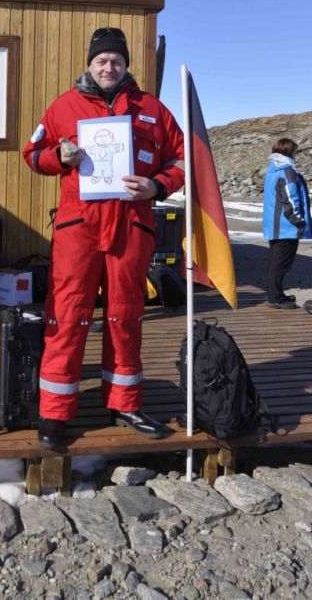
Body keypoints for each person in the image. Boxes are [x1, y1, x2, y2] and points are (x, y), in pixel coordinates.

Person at [23, 27, 185, 446]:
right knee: (67, 313)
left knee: (126, 314)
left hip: (132, 227)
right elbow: (32, 155)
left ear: (126, 64)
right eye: (101, 60)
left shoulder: (153, 110)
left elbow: (185, 159)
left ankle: (125, 403)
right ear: (90, 64)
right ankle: (55, 413)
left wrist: (157, 186)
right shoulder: (63, 107)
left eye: (116, 60)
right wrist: (57, 157)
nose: (108, 66)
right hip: (78, 230)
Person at [262, 138, 312, 309]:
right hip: (286, 227)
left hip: (275, 226)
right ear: (290, 152)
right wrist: (298, 221)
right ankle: (275, 298)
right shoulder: (286, 171)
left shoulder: (273, 170)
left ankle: (276, 294)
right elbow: (290, 200)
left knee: (276, 261)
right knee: (281, 263)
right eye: (295, 152)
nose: (296, 155)